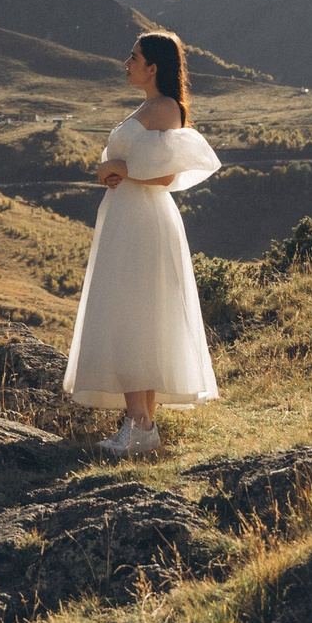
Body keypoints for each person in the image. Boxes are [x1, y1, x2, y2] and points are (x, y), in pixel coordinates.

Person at [64, 30, 222, 456]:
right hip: (125, 216)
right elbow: (135, 162)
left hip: (142, 220)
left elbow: (166, 174)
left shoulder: (166, 108)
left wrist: (118, 167)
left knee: (133, 313)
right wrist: (109, 169)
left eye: (133, 57)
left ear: (153, 66)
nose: (126, 63)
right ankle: (141, 426)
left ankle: (141, 427)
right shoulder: (149, 107)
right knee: (130, 313)